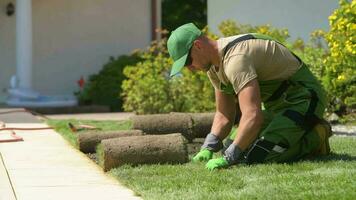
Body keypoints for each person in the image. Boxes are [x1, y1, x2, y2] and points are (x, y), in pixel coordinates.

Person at [167, 23, 332, 171]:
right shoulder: (213, 67)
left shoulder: (236, 59)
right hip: (278, 107)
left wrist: (230, 157)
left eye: (188, 61)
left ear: (198, 46)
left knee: (259, 156)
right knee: (233, 148)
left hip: (304, 100)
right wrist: (208, 147)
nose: (190, 68)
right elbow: (224, 114)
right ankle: (295, 131)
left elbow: (253, 115)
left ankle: (317, 135)